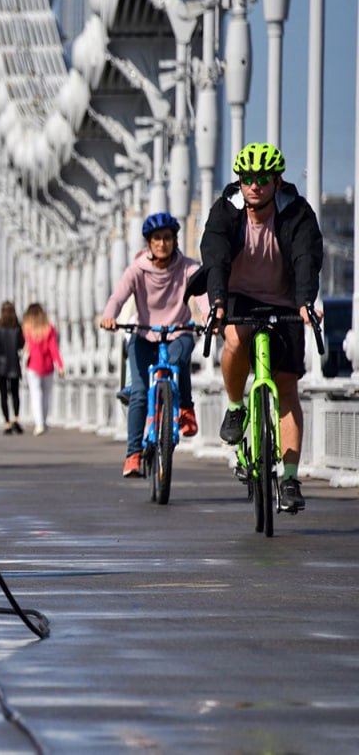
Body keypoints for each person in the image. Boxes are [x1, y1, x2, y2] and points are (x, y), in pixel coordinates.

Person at [200, 142, 323, 511]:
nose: (254, 185)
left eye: (262, 179)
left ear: (277, 180)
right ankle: (236, 407)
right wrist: (218, 301)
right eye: (247, 179)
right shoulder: (226, 211)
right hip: (237, 297)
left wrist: (305, 301)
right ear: (239, 181)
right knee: (235, 339)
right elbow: (216, 255)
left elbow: (306, 256)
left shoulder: (297, 212)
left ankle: (288, 478)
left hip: (286, 300)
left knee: (286, 390)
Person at [99, 212, 203, 478]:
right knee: (140, 393)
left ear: (174, 240)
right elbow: (118, 296)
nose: (162, 243)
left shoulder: (188, 267)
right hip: (144, 334)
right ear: (148, 243)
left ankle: (186, 408)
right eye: (156, 238)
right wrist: (109, 315)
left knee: (180, 360)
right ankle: (132, 455)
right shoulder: (137, 269)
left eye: (167, 238)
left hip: (178, 330)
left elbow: (203, 295)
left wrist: (209, 315)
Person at [21, 302, 63, 435]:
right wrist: (60, 365)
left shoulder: (27, 329)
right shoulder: (49, 328)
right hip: (48, 366)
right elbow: (54, 349)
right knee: (46, 394)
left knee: (35, 394)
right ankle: (43, 421)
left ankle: (39, 423)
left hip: (33, 365)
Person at [0, 301, 25, 434]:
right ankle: (16, 419)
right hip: (13, 362)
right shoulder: (17, 327)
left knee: (3, 394)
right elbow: (21, 344)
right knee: (15, 393)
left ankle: (7, 423)